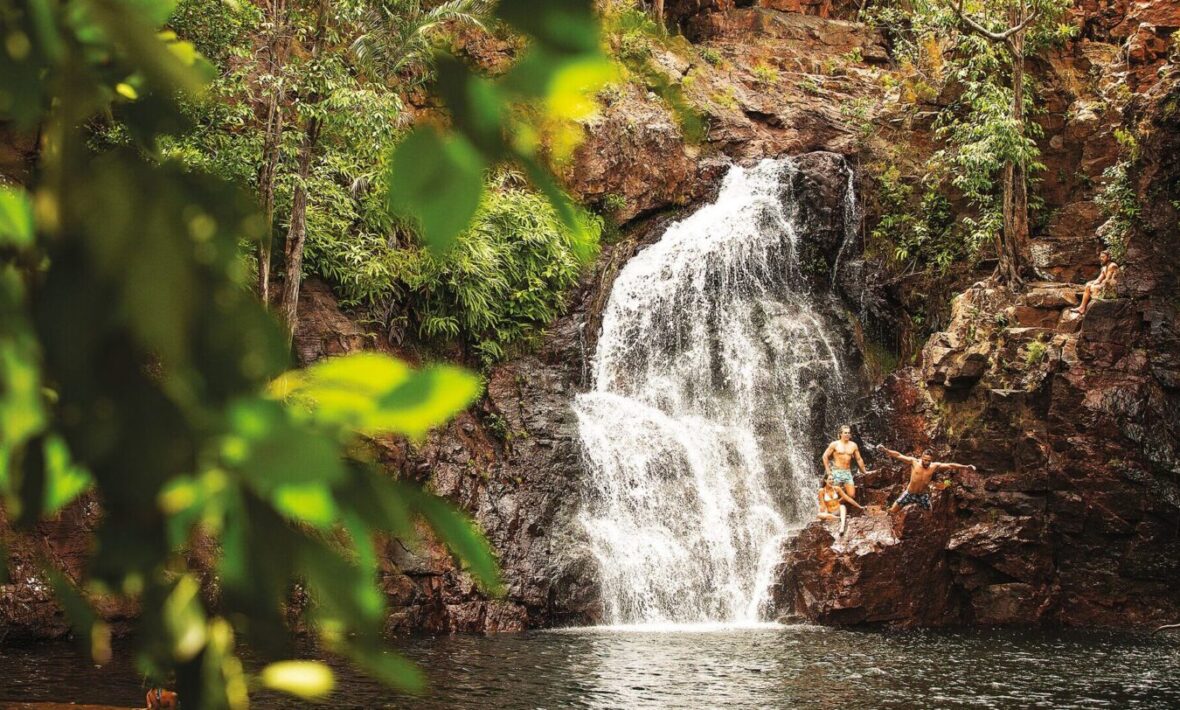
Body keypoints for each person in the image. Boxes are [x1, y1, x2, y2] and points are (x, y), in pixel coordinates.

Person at [880, 447, 976, 512]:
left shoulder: (934, 466)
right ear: (921, 457)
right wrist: (885, 450)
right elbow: (898, 455)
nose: (927, 462)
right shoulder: (914, 462)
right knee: (892, 510)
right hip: (909, 493)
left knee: (929, 513)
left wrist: (966, 467)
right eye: (925, 460)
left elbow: (950, 465)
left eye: (929, 461)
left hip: (922, 495)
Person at [821, 425, 872, 502]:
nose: (847, 434)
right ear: (840, 434)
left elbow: (859, 459)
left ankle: (837, 504)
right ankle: (831, 508)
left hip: (847, 472)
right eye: (845, 433)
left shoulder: (853, 445)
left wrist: (864, 471)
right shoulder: (835, 444)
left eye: (848, 433)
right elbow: (825, 456)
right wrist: (828, 471)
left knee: (851, 495)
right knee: (833, 494)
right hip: (836, 472)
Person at [1071, 250, 1120, 316]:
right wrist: (1093, 283)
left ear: (1108, 257)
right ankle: (1082, 307)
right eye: (1100, 257)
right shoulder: (1104, 267)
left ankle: (1086, 306)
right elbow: (1099, 279)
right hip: (1106, 286)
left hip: (1112, 289)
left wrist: (1095, 285)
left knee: (1094, 287)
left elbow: (1107, 280)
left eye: (1103, 257)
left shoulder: (1112, 266)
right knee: (1088, 285)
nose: (1101, 259)